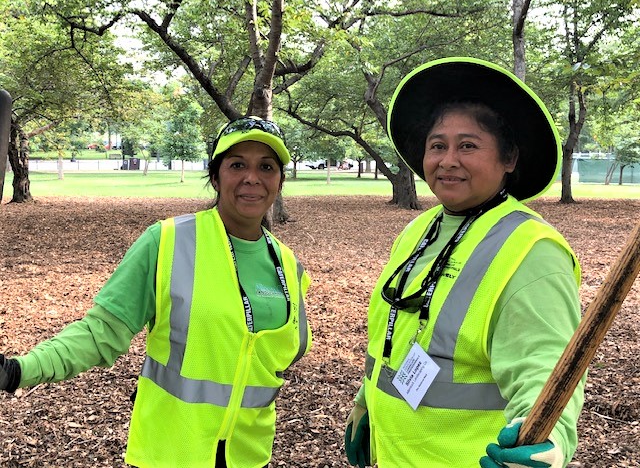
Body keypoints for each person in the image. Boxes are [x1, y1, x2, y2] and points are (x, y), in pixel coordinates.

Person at [0, 116, 312, 468]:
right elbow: (100, 332)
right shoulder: (167, 241)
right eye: (237, 164)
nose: (252, 178)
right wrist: (18, 370)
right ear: (215, 176)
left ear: (280, 181)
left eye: (266, 167)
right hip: (170, 452)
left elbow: (282, 353)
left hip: (250, 455)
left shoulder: (287, 264)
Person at [344, 57, 584, 468]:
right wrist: (367, 401)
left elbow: (548, 370)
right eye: (437, 145)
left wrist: (549, 442)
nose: (447, 160)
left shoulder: (532, 250)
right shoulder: (420, 230)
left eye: (468, 145)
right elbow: (396, 337)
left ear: (509, 159)